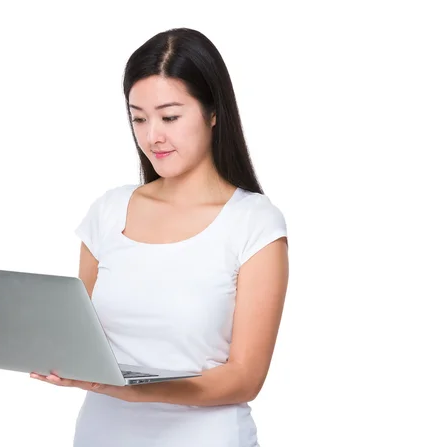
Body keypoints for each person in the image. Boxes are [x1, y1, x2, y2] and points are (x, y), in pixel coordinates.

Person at [29, 27, 289, 446]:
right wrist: (44, 348)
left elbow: (245, 378)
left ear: (212, 111)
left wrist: (133, 391)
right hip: (102, 434)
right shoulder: (108, 212)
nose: (153, 136)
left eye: (170, 117)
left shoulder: (254, 223)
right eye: (138, 117)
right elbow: (80, 336)